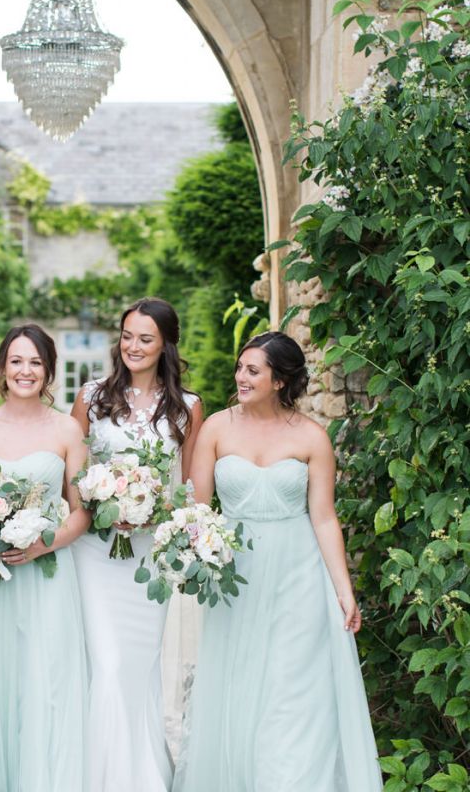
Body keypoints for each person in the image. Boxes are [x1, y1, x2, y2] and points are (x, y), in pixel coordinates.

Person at [173, 331, 382, 792]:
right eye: (240, 368)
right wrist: (192, 553)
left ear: (280, 380)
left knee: (292, 690)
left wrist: (343, 590)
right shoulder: (217, 428)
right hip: (236, 577)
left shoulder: (311, 437)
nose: (241, 377)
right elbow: (197, 508)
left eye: (253, 370)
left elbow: (324, 518)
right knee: (242, 686)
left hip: (298, 575)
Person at [0, 324, 91, 792]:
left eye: (35, 363)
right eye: (16, 361)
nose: (25, 371)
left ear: (48, 371)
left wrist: (46, 542)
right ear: (2, 368)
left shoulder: (67, 430)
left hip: (46, 574)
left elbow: (83, 511)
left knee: (45, 680)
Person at [70, 298, 203, 792]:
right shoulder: (91, 397)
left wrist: (153, 511)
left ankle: (141, 774)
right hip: (94, 553)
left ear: (166, 344)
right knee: (105, 664)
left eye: (145, 338)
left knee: (138, 668)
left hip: (148, 557)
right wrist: (99, 500)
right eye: (127, 336)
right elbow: (71, 474)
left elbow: (191, 490)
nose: (133, 346)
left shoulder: (188, 407)